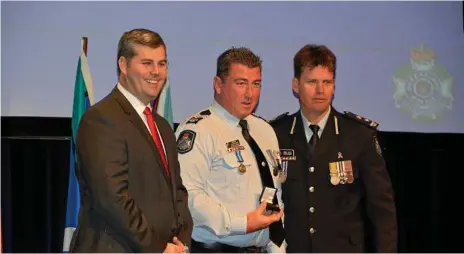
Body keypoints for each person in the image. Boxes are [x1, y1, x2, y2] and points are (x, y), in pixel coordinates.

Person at [70, 28, 192, 253]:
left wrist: (181, 241)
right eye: (147, 63)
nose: (156, 72)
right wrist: (158, 248)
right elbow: (112, 199)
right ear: (123, 65)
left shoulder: (162, 126)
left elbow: (177, 191)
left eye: (162, 64)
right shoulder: (100, 119)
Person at [270, 44, 397, 253]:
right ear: (296, 85)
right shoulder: (276, 134)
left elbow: (382, 211)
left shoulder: (359, 135)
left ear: (334, 86)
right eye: (312, 82)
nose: (320, 90)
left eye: (326, 82)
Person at [175, 47, 286, 253]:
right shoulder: (199, 130)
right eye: (241, 83)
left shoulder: (265, 130)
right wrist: (242, 223)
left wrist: (278, 247)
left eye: (256, 84)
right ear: (218, 85)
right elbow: (188, 196)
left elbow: (274, 194)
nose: (250, 94)